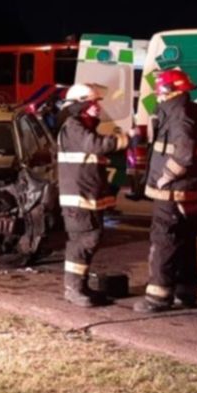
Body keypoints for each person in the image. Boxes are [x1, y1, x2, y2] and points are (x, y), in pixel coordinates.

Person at [135, 68, 197, 313]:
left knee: (164, 241)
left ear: (167, 90)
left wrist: (164, 178)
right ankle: (186, 293)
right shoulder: (188, 110)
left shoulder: (179, 114)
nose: (157, 94)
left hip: (172, 192)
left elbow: (184, 154)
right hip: (187, 190)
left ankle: (158, 297)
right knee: (185, 241)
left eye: (159, 89)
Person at [55, 84, 130, 307]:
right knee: (83, 241)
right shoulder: (74, 126)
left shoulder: (83, 127)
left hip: (86, 196)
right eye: (92, 103)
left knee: (90, 239)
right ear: (81, 105)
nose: (97, 107)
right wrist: (125, 139)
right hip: (78, 199)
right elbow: (94, 146)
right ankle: (73, 289)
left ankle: (80, 286)